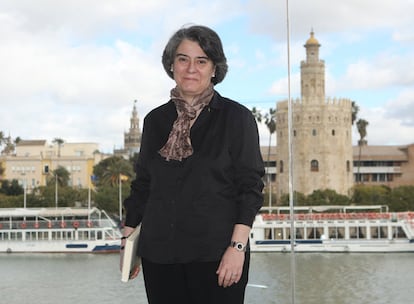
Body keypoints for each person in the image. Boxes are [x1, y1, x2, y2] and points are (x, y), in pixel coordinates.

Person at [121, 24, 264, 304]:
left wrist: (237, 247)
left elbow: (250, 188)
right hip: (159, 257)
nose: (191, 68)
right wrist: (128, 242)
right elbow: (143, 185)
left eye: (201, 61)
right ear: (171, 65)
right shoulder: (155, 121)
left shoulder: (236, 118)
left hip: (218, 256)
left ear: (214, 69)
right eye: (183, 59)